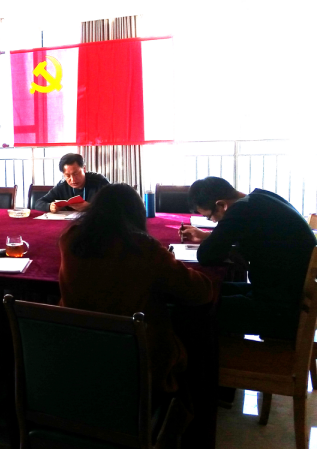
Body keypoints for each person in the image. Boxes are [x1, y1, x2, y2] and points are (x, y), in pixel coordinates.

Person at [59, 183, 213, 393]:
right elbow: (200, 292)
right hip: (136, 360)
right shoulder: (142, 246)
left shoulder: (71, 239)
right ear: (136, 213)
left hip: (77, 351)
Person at [181, 177, 316, 340]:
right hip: (287, 297)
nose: (214, 221)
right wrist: (209, 237)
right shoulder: (259, 198)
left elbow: (205, 255)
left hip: (280, 311)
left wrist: (215, 240)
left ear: (221, 205)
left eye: (210, 217)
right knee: (207, 288)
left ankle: (213, 356)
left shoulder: (241, 210)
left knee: (190, 309)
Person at [34, 153, 109, 213]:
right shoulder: (62, 185)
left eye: (76, 174)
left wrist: (90, 207)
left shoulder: (99, 181)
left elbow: (113, 206)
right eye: (67, 175)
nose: (73, 180)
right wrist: (50, 206)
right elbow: (38, 203)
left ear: (84, 169)